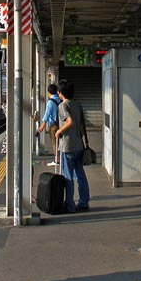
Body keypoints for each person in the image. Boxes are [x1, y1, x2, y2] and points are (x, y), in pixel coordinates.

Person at [55, 83, 90, 212]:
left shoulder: (63, 105)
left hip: (68, 146)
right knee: (80, 175)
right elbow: (81, 126)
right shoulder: (78, 105)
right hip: (79, 146)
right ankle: (84, 202)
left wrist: (59, 132)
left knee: (68, 176)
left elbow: (69, 121)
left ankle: (69, 206)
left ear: (61, 93)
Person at [36, 83, 62, 164]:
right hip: (61, 125)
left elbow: (47, 115)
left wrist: (42, 127)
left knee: (55, 143)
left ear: (49, 92)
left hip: (53, 125)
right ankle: (62, 159)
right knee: (61, 143)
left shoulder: (50, 102)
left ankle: (57, 160)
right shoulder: (60, 100)